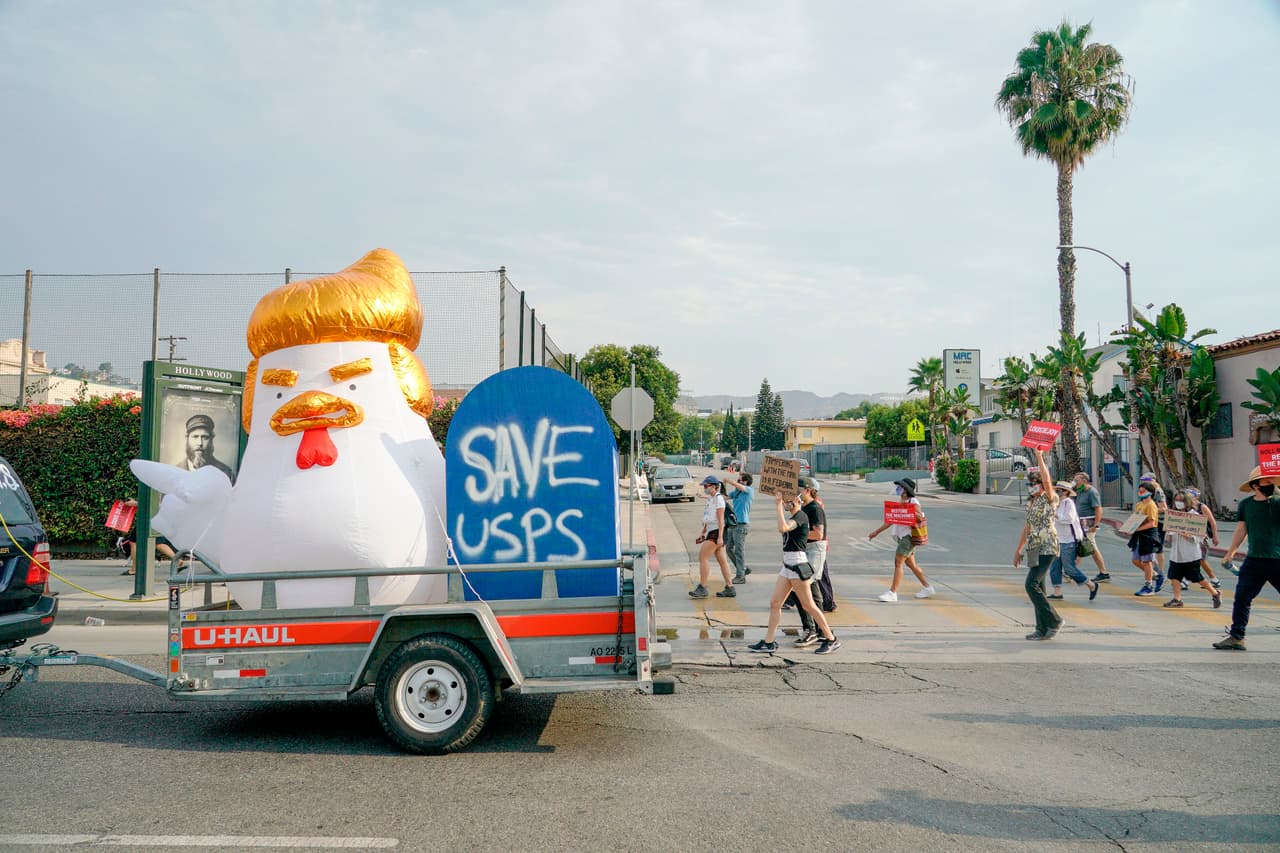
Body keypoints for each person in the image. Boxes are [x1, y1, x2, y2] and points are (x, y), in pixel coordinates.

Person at [747, 490, 840, 655]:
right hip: (788, 565)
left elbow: (782, 528)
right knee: (775, 603)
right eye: (784, 501)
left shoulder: (801, 516)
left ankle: (831, 639)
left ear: (796, 501)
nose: (784, 503)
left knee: (808, 605)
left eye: (787, 501)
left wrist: (776, 506)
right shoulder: (794, 516)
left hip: (798, 564)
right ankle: (769, 642)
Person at [1213, 466, 1280, 650]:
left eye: (1272, 481)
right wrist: (1230, 553)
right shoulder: (1246, 505)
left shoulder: (1278, 502)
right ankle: (1237, 637)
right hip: (1254, 560)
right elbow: (1242, 530)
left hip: (1277, 559)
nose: (1271, 484)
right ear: (1255, 485)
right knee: (1242, 597)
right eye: (1267, 482)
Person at [1012, 448, 1063, 640]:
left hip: (1048, 545)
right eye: (1029, 483)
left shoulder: (1050, 498)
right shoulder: (1031, 502)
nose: (1030, 486)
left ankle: (1054, 620)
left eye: (1034, 483)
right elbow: (1027, 527)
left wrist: (1040, 456)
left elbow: (1048, 481)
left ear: (1041, 485)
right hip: (1034, 547)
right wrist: (1018, 549)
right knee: (1039, 587)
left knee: (1031, 584)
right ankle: (1042, 629)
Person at [868, 477, 934, 601]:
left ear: (906, 490)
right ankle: (927, 587)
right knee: (911, 564)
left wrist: (908, 509)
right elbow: (890, 521)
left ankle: (892, 592)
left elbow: (920, 517)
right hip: (901, 536)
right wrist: (876, 532)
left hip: (908, 537)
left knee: (898, 562)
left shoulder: (913, 502)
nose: (898, 489)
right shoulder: (902, 501)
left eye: (901, 487)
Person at [1164, 488, 1222, 609]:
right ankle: (1177, 599)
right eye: (1176, 500)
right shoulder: (1174, 516)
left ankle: (1215, 593)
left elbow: (1200, 537)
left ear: (1187, 501)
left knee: (1197, 578)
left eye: (1181, 500)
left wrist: (1189, 536)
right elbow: (1169, 536)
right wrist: (1168, 535)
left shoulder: (1194, 516)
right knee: (1174, 576)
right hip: (1176, 554)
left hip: (1190, 554)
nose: (1178, 502)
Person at [1048, 481, 1101, 602]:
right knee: (1055, 567)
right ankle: (1057, 592)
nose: (1058, 491)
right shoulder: (1056, 503)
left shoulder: (1069, 503)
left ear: (1066, 492)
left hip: (1069, 541)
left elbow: (1069, 519)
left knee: (1069, 569)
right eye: (1057, 489)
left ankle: (1091, 585)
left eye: (1060, 490)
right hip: (1056, 540)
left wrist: (1055, 515)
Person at [792, 477, 829, 646]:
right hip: (805, 550)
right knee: (813, 592)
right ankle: (821, 630)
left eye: (799, 490)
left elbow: (818, 534)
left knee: (801, 589)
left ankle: (811, 630)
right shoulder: (803, 508)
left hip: (814, 550)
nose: (796, 493)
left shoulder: (815, 508)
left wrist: (798, 535)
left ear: (807, 490)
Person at [689, 476, 735, 599]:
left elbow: (721, 520)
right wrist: (703, 532)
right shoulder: (711, 499)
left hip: (716, 532)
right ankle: (730, 587)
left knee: (703, 558)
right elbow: (708, 518)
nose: (705, 488)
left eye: (706, 486)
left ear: (714, 486)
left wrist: (720, 537)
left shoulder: (719, 500)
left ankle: (703, 587)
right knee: (722, 561)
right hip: (712, 531)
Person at [119, 498, 178, 576]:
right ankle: (177, 560)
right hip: (157, 517)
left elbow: (152, 504)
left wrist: (135, 503)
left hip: (148, 518)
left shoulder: (155, 487)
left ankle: (134, 569)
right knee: (157, 542)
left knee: (133, 542)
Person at [1073, 472, 1111, 583]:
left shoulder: (1092, 492)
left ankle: (1072, 570)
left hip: (1089, 523)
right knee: (1091, 548)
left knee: (1083, 544)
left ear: (1084, 480)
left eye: (1077, 480)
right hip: (1081, 522)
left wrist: (1095, 525)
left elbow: (1098, 509)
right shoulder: (1079, 491)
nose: (1075, 483)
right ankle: (1103, 572)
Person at [1130, 481, 1165, 596]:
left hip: (1148, 536)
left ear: (1150, 493)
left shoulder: (1151, 505)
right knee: (1135, 560)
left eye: (1143, 490)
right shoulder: (1139, 504)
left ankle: (1148, 585)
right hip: (1138, 536)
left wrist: (1138, 529)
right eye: (1139, 490)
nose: (1140, 492)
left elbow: (1152, 523)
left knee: (1146, 561)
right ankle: (1156, 575)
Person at [179, 414, 236, 484]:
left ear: (211, 440)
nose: (200, 443)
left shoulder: (225, 474)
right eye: (195, 436)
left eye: (205, 437)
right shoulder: (175, 472)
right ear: (187, 439)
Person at [722, 472, 756, 584]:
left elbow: (740, 486)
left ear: (745, 482)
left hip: (742, 524)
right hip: (733, 523)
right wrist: (723, 487)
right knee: (729, 548)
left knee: (739, 550)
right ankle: (742, 569)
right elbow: (725, 498)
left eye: (739, 480)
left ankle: (740, 576)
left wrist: (729, 480)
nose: (737, 481)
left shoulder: (749, 491)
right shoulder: (736, 492)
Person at [1185, 487, 1221, 589]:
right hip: (1189, 538)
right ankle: (1186, 579)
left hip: (1201, 538)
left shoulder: (1202, 507)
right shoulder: (1185, 507)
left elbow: (1212, 522)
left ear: (1196, 497)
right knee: (1188, 558)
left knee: (1201, 560)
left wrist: (1215, 536)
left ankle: (1214, 579)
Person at [1140, 473, 1168, 576]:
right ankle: (1155, 570)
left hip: (1159, 522)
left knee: (1158, 549)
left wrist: (1151, 510)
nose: (1143, 484)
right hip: (1152, 521)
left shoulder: (1158, 492)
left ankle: (1160, 572)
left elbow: (1164, 508)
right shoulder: (1149, 491)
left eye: (1145, 481)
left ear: (1152, 480)